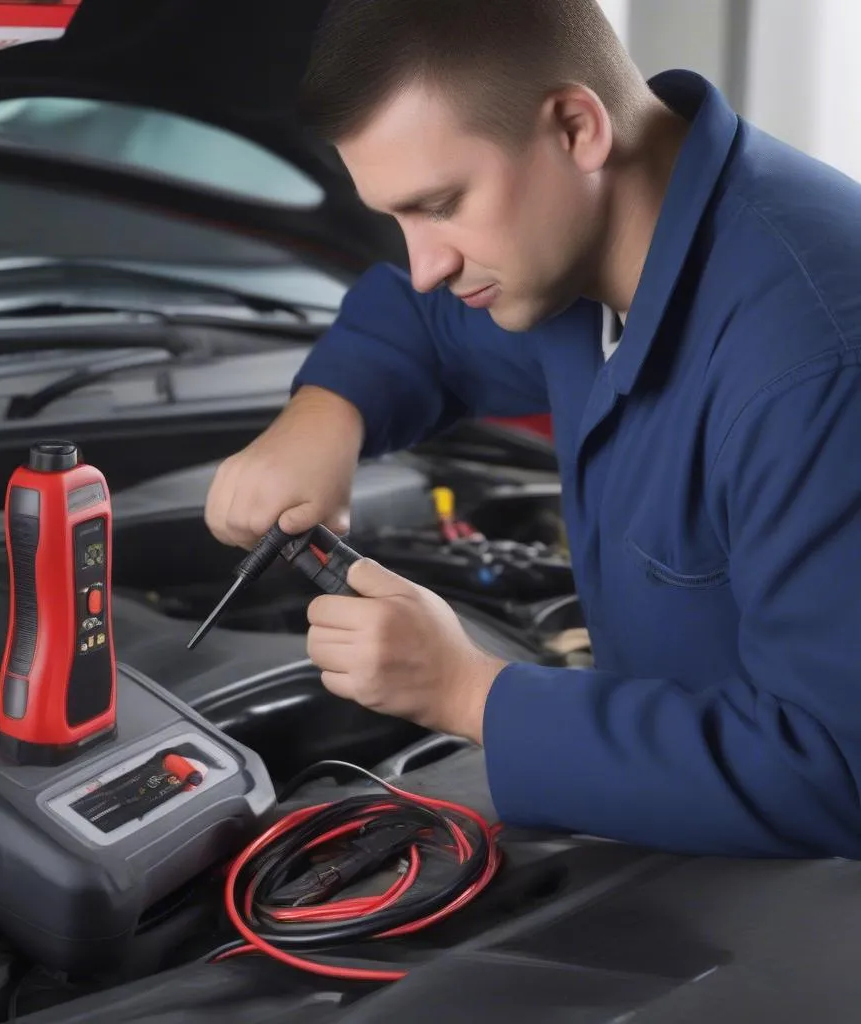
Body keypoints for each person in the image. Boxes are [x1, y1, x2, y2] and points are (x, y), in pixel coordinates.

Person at [204, 0, 861, 859]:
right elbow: (424, 323)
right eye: (398, 218)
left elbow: (836, 772)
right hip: (684, 851)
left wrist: (468, 692)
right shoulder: (587, 248)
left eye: (440, 203)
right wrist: (324, 411)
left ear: (576, 126)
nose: (426, 263)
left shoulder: (814, 362)